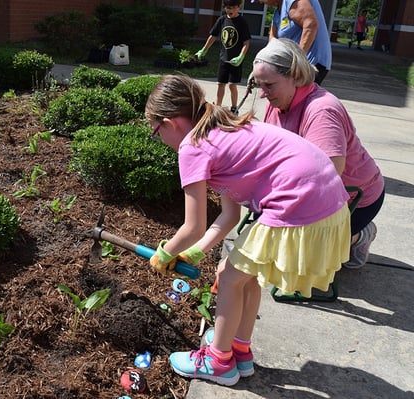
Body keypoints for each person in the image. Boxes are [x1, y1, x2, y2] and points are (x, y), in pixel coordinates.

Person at [144, 74, 351, 385]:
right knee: (246, 276)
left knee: (229, 277)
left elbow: (193, 225)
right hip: (326, 197)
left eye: (155, 131)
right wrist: (196, 252)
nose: (158, 138)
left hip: (300, 200)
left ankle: (217, 362)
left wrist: (165, 253)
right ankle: (239, 351)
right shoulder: (220, 127)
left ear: (170, 122)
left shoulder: (192, 147)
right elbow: (229, 215)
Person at [252, 38, 385, 269]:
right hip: (310, 189)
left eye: (269, 85)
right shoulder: (276, 100)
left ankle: (357, 237)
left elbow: (328, 176)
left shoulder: (322, 110)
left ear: (294, 75)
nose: (262, 94)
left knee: (300, 261)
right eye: (258, 84)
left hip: (354, 199)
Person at [254, 0, 331, 84]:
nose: (261, 2)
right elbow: (272, 41)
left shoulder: (291, 1)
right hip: (291, 65)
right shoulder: (278, 12)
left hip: (310, 64)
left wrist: (299, 61)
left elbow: (310, 24)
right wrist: (262, 65)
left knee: (292, 95)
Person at [195, 0, 251, 114]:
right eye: (227, 8)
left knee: (232, 85)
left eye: (232, 8)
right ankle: (218, 106)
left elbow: (246, 42)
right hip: (223, 59)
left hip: (235, 61)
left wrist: (241, 56)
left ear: (239, 7)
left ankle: (234, 107)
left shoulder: (242, 22)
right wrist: (204, 50)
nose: (229, 10)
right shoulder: (222, 20)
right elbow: (213, 36)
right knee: (221, 84)